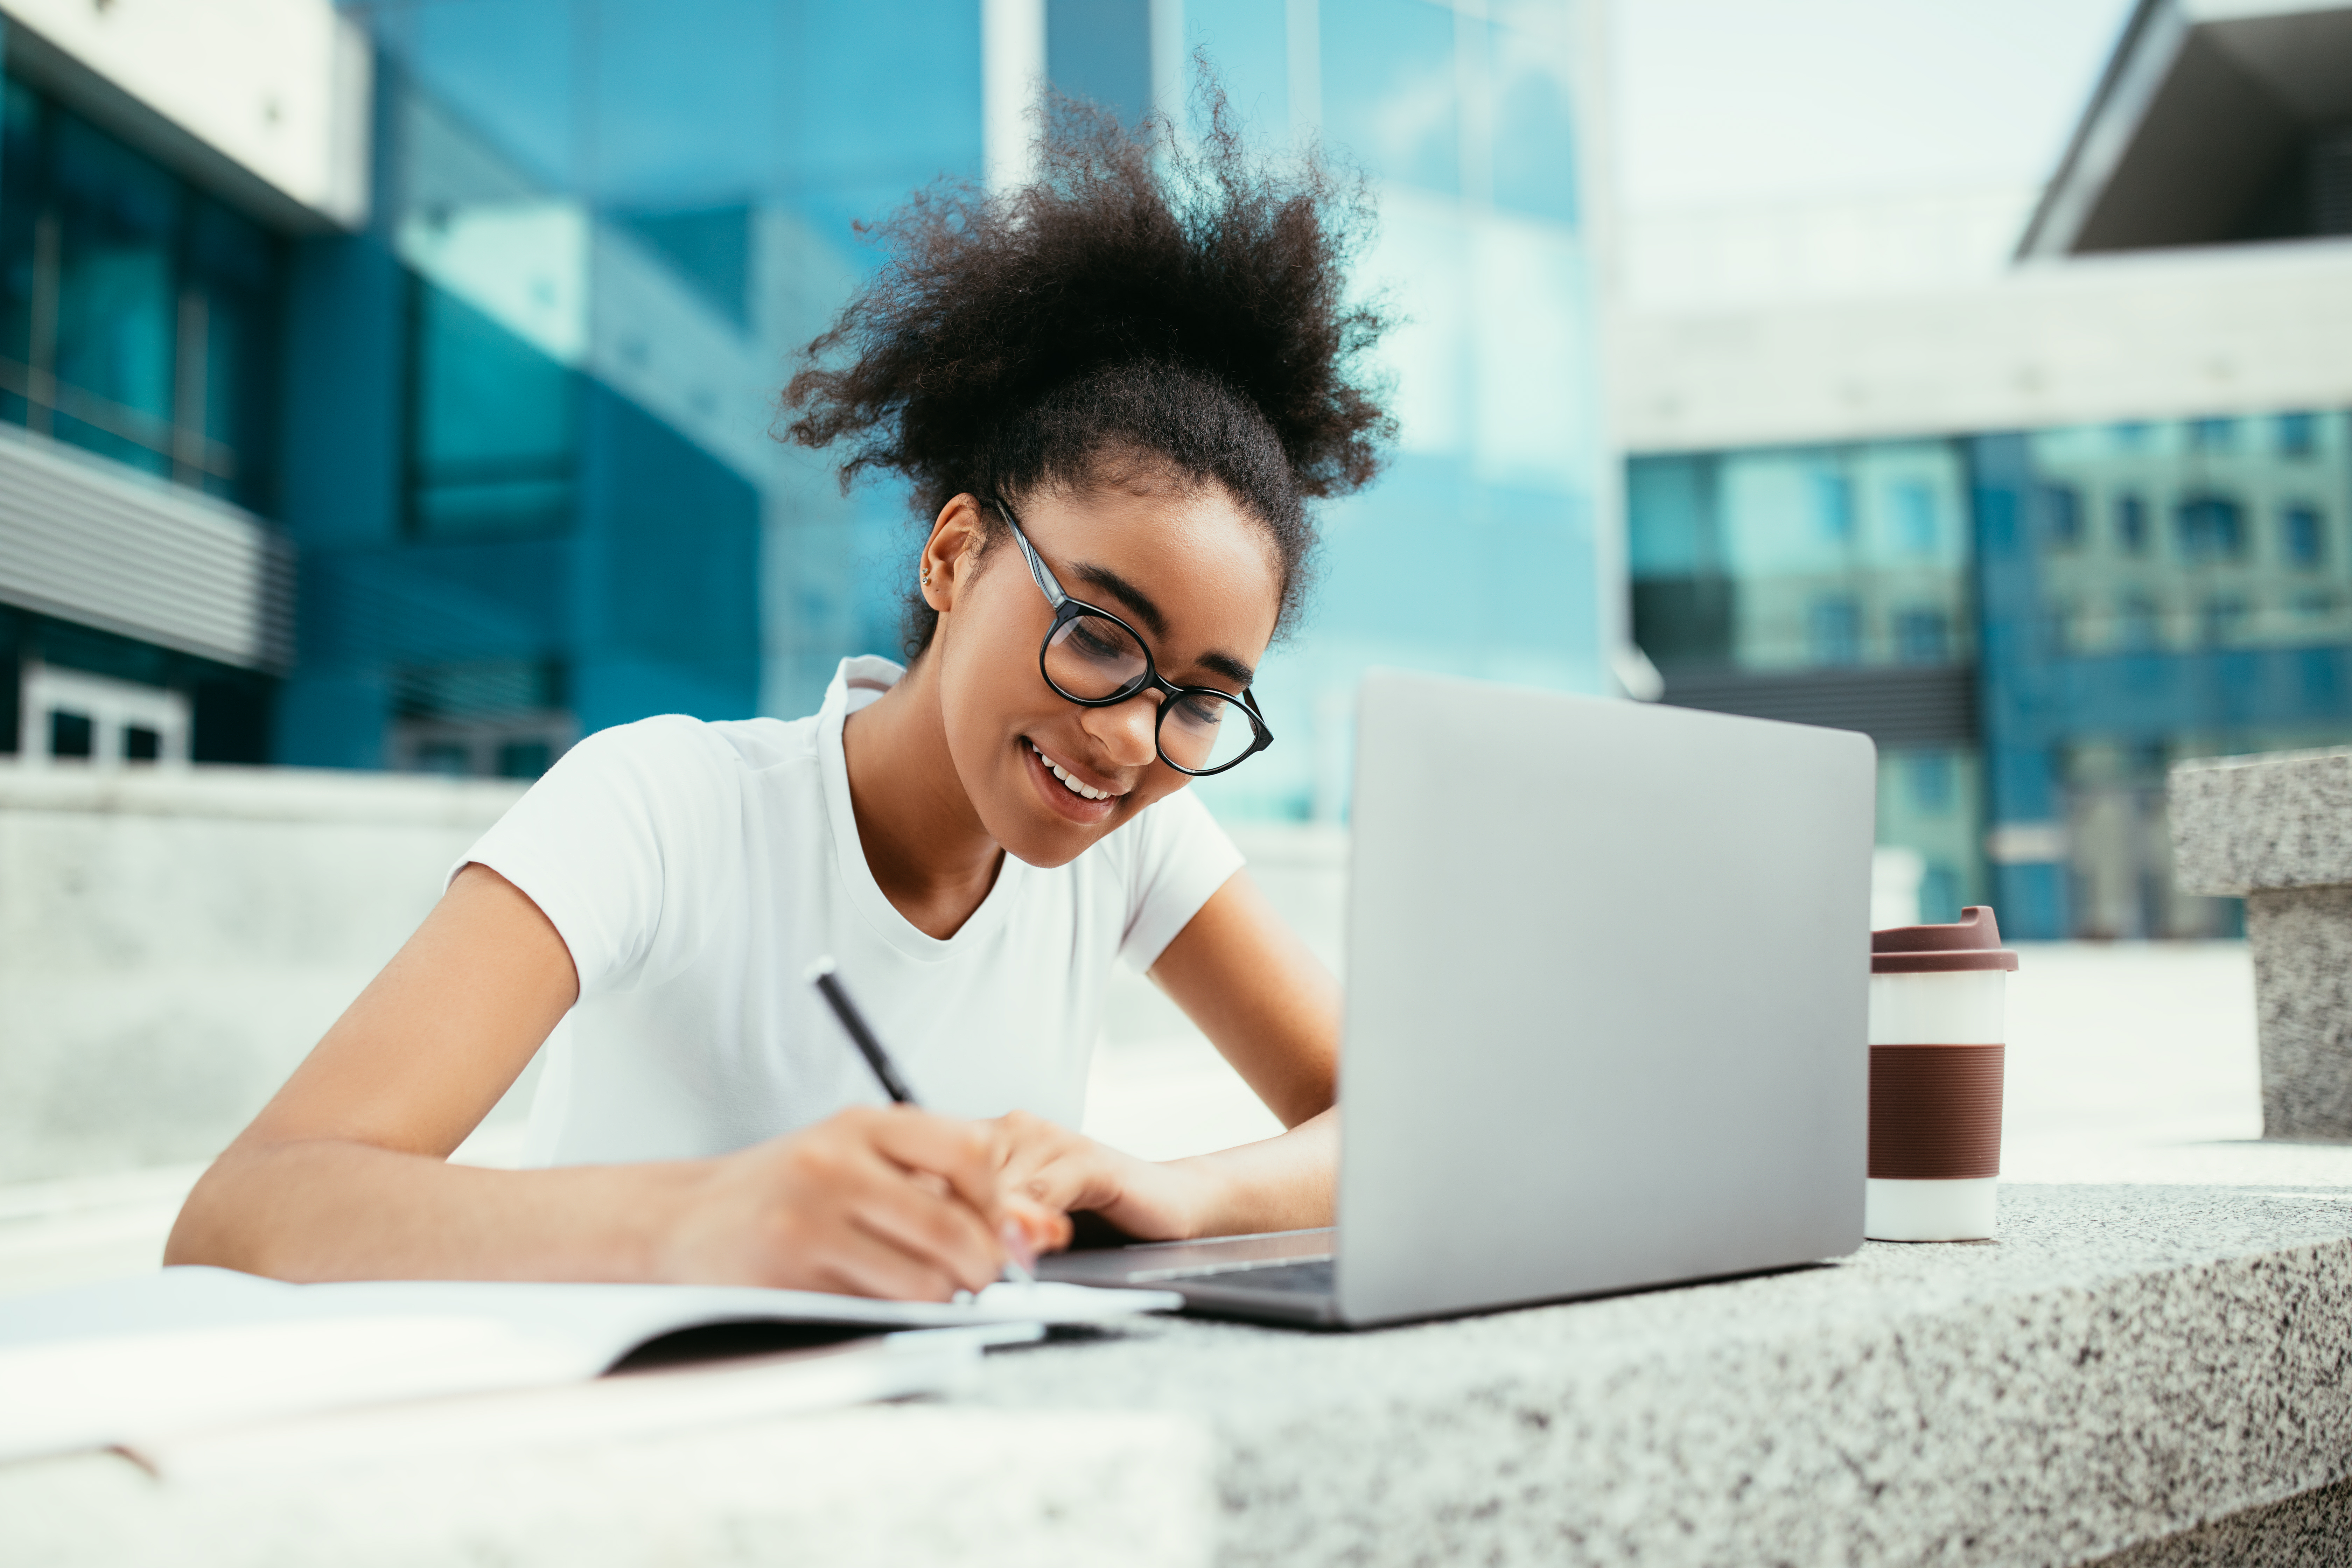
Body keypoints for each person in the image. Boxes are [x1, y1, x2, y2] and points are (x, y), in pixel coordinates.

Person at [167, 93, 1395, 1301]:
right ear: (954, 553)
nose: (1133, 734)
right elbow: (249, 1210)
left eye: (1198, 700)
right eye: (1098, 635)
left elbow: (1403, 1122)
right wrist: (707, 1217)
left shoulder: (1134, 841)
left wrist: (1173, 1195)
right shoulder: (661, 805)